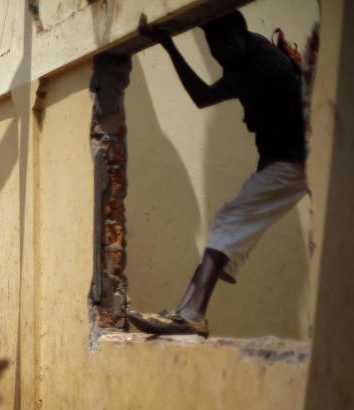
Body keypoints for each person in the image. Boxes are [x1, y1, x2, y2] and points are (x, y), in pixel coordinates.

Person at [129, 11, 307, 337]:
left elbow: (202, 97)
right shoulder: (246, 52)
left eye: (224, 45)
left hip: (294, 163)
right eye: (212, 48)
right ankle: (186, 311)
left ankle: (193, 313)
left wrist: (168, 46)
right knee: (226, 226)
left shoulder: (261, 65)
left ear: (242, 34)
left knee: (228, 223)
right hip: (284, 160)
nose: (218, 54)